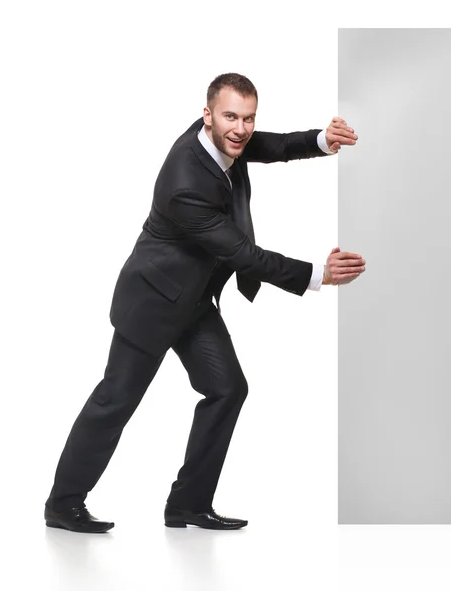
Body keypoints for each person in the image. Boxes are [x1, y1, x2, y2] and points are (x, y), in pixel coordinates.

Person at [44, 72, 364, 533]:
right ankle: (63, 504)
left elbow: (267, 146)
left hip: (191, 300)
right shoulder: (185, 181)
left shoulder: (225, 139)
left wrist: (322, 140)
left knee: (228, 389)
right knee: (115, 402)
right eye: (231, 117)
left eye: (248, 118)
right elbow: (242, 254)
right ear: (207, 114)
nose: (241, 128)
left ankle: (188, 504)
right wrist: (317, 274)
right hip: (152, 302)